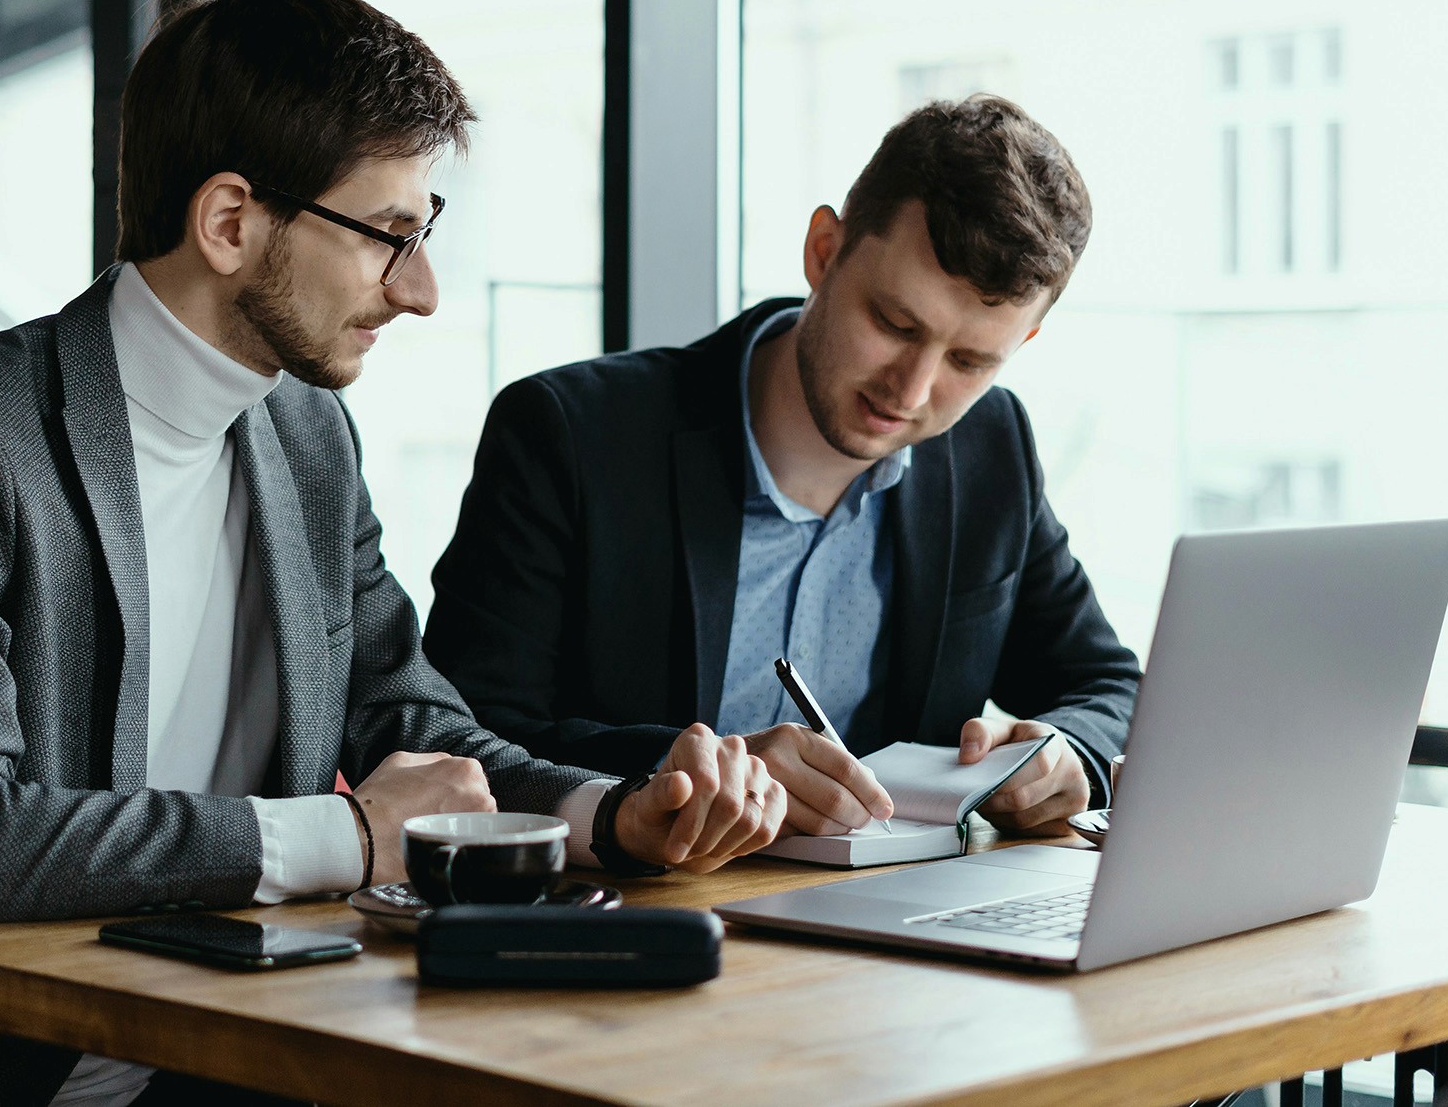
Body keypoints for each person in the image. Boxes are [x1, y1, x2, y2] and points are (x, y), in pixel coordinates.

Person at [0, 0, 784, 1107]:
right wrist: (350, 839)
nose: (422, 291)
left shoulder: (308, 435)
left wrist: (614, 813)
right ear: (228, 223)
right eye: (387, 237)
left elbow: (411, 725)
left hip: (209, 1064)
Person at [424, 94, 1141, 843]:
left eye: (969, 361)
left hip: (896, 928)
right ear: (823, 251)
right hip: (635, 915)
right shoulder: (570, 435)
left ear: (1020, 344)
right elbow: (462, 736)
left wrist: (1066, 756)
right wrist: (683, 771)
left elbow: (1107, 687)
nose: (913, 390)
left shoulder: (990, 447)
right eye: (896, 324)